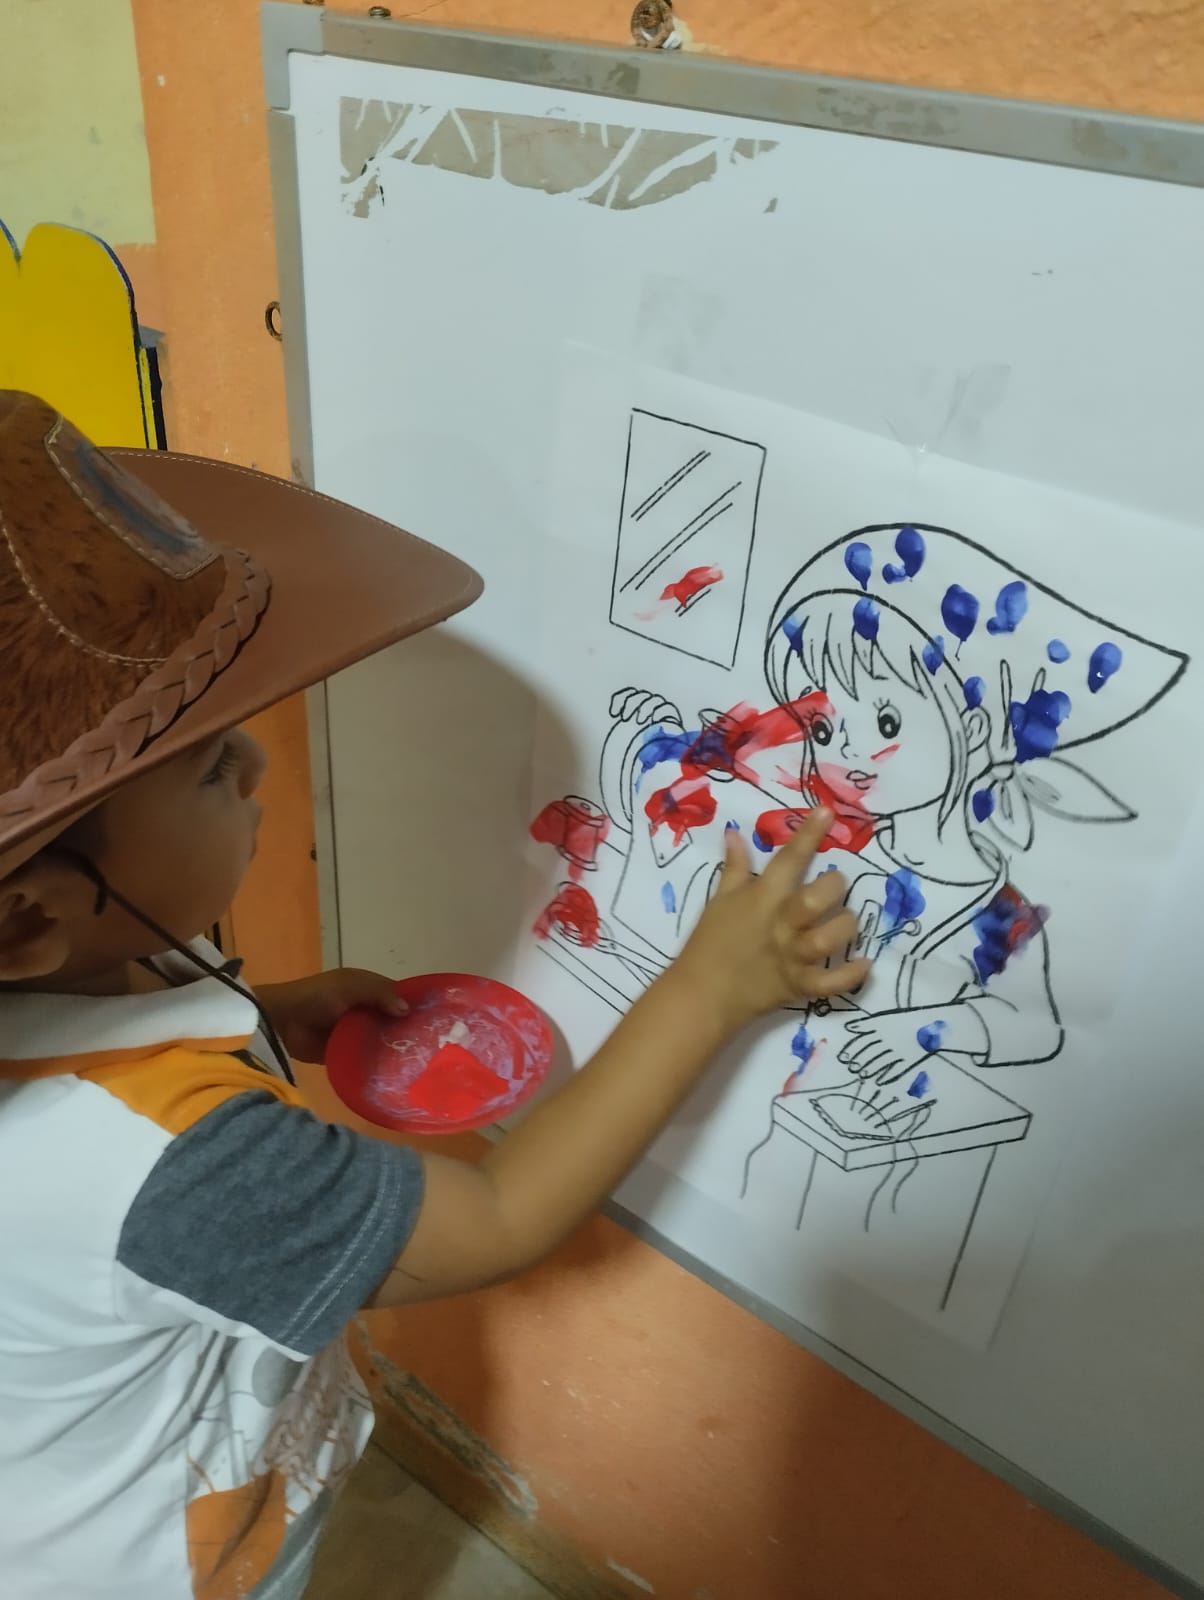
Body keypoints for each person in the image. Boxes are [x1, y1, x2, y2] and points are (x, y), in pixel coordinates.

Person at [0, 389, 869, 1600]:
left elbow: (99, 1060)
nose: (255, 762)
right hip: (156, 1561)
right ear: (29, 919)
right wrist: (712, 983)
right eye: (206, 768)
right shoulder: (183, 1172)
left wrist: (270, 1010)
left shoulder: (73, 984)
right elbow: (503, 1212)